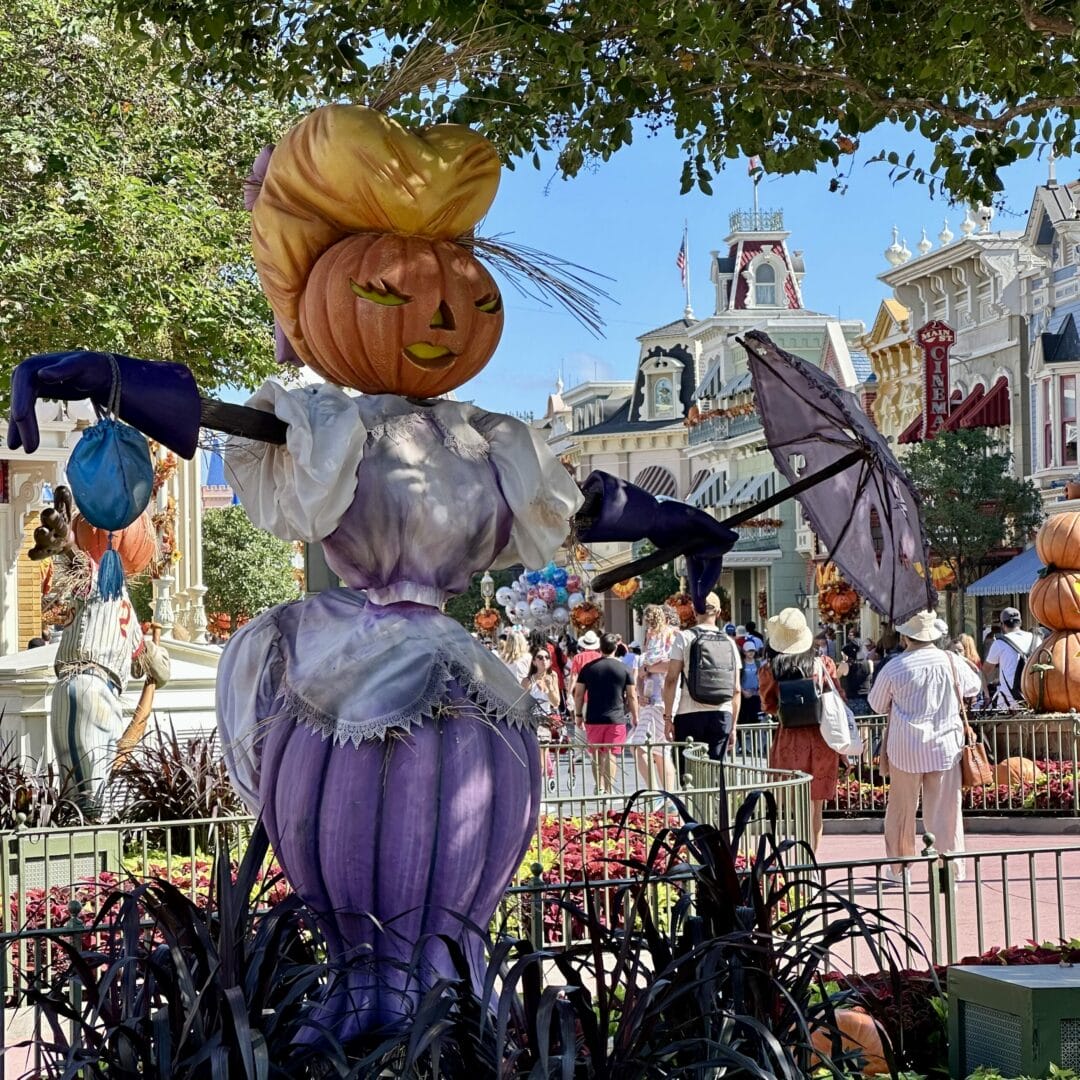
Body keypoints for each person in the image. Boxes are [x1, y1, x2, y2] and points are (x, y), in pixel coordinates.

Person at [50, 554, 171, 819]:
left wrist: (64, 541)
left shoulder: (104, 576)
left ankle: (88, 853)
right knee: (90, 800)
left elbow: (76, 560)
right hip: (99, 691)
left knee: (83, 803)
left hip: (84, 683)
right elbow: (159, 670)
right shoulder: (124, 602)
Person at [868, 609, 981, 884]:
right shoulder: (951, 661)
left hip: (905, 748)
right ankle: (948, 870)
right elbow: (974, 687)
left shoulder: (895, 667)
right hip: (945, 746)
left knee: (901, 811)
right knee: (945, 811)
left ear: (906, 637)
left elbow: (876, 704)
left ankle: (899, 869)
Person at [759, 607, 839, 852]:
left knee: (796, 804)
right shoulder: (824, 664)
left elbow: (769, 705)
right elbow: (837, 698)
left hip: (790, 738)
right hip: (822, 738)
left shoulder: (771, 668)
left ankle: (797, 858)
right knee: (816, 808)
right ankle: (812, 858)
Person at [663, 592, 742, 773]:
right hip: (722, 714)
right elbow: (736, 689)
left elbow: (671, 679)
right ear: (719, 612)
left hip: (689, 712)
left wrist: (668, 718)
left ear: (694, 611)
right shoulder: (729, 642)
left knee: (689, 774)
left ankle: (691, 802)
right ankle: (716, 801)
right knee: (716, 773)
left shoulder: (684, 638)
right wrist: (733, 726)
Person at [573, 633, 638, 794]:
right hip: (616, 718)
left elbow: (579, 694)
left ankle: (599, 786)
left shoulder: (588, 668)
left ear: (600, 647)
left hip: (593, 717)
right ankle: (609, 789)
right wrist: (636, 716)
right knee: (611, 753)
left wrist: (578, 715)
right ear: (616, 648)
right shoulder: (624, 668)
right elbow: (631, 695)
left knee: (596, 753)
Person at [628, 607, 679, 791]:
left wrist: (648, 669)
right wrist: (640, 694)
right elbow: (642, 671)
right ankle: (658, 792)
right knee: (641, 746)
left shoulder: (670, 636)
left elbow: (670, 666)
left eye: (652, 621)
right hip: (650, 699)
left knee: (660, 750)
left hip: (663, 700)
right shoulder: (650, 638)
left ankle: (665, 795)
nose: (649, 626)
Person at [523, 648, 562, 792]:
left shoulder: (553, 676)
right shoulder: (528, 681)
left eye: (546, 657)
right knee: (533, 759)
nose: (543, 660)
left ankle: (540, 795)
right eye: (540, 657)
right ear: (534, 661)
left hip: (544, 722)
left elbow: (556, 702)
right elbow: (521, 703)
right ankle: (534, 793)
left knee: (542, 759)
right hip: (530, 722)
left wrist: (550, 687)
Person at [982, 607, 1034, 708]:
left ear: (1002, 625)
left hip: (1009, 702)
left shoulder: (999, 643)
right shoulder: (1036, 639)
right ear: (1020, 622)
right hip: (1033, 699)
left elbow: (985, 671)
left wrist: (987, 693)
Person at [841, 640, 875, 715]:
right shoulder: (870, 663)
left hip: (852, 700)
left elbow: (835, 678)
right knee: (866, 724)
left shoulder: (845, 666)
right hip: (867, 699)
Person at [567, 629, 602, 698]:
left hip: (582, 694)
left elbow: (573, 677)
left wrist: (569, 693)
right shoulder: (600, 656)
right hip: (599, 694)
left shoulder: (578, 657)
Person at [738, 643, 762, 727]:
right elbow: (737, 679)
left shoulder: (759, 663)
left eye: (752, 651)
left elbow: (762, 678)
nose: (751, 653)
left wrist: (760, 690)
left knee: (755, 720)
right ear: (744, 652)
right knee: (743, 719)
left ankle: (755, 739)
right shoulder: (741, 664)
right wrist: (743, 691)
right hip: (744, 695)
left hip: (756, 695)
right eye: (749, 651)